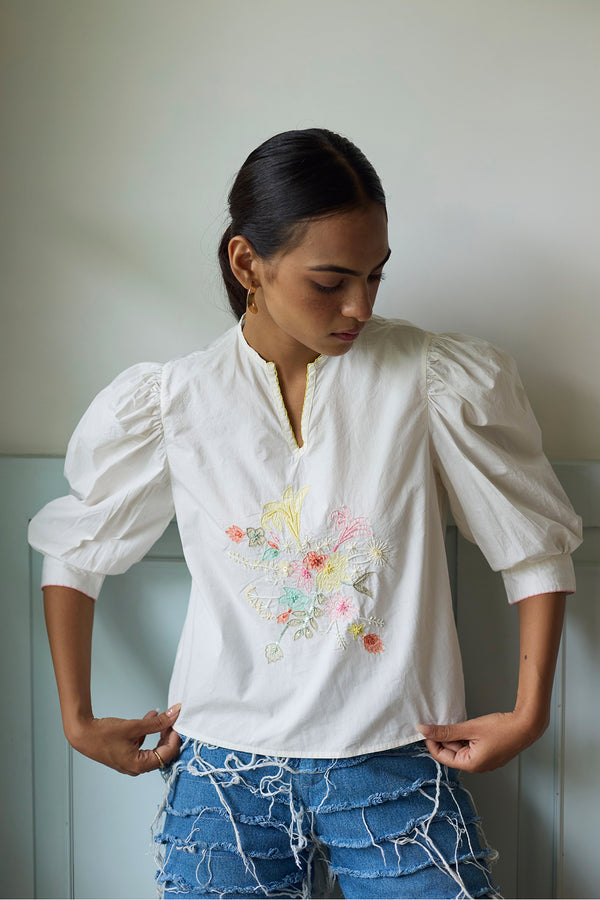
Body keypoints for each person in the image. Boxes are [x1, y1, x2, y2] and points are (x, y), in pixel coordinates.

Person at [29, 128, 582, 900]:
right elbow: (77, 547)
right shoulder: (172, 401)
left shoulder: (430, 378)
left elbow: (533, 545)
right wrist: (76, 716)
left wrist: (529, 713)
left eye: (376, 276)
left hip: (394, 758)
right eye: (331, 281)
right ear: (247, 262)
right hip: (221, 771)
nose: (359, 304)